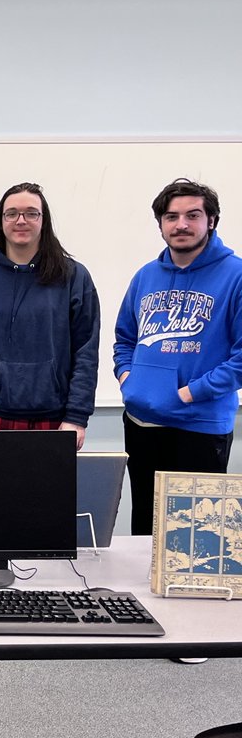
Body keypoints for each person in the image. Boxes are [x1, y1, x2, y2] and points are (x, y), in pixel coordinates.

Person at [114, 179, 242, 536]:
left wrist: (189, 393)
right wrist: (129, 380)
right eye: (171, 217)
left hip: (199, 426)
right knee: (146, 528)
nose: (181, 224)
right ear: (161, 225)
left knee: (194, 540)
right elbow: (124, 338)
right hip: (141, 423)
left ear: (211, 221)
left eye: (193, 215)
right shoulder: (146, 276)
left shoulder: (236, 276)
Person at [0, 183, 100, 448]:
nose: (21, 220)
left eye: (31, 213)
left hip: (57, 420)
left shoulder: (74, 277)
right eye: (12, 213)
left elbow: (86, 353)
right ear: (1, 221)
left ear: (44, 221)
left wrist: (77, 417)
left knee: (51, 491)